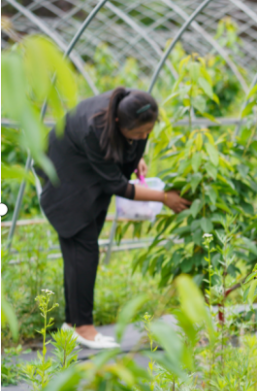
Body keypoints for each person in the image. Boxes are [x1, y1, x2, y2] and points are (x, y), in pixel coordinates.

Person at [39, 87, 190, 350]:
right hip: (66, 179)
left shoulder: (129, 108)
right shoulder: (95, 129)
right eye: (138, 133)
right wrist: (164, 197)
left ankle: (72, 324)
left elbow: (128, 147)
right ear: (119, 122)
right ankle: (82, 328)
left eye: (148, 132)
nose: (143, 137)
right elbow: (118, 186)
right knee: (83, 250)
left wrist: (137, 156)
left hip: (88, 177)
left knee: (80, 253)